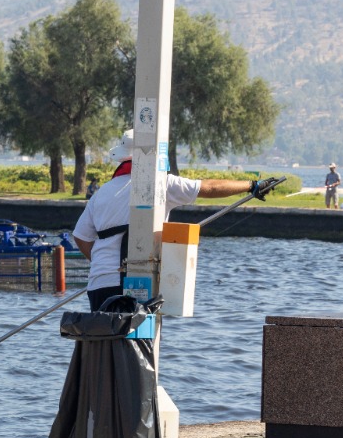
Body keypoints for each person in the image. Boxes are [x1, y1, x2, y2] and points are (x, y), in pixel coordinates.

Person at [72, 129, 266, 312]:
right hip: (136, 283)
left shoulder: (102, 193)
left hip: (98, 283)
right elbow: (209, 187)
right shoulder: (162, 183)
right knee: (138, 344)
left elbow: (80, 236)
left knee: (102, 345)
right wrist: (251, 185)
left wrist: (103, 264)